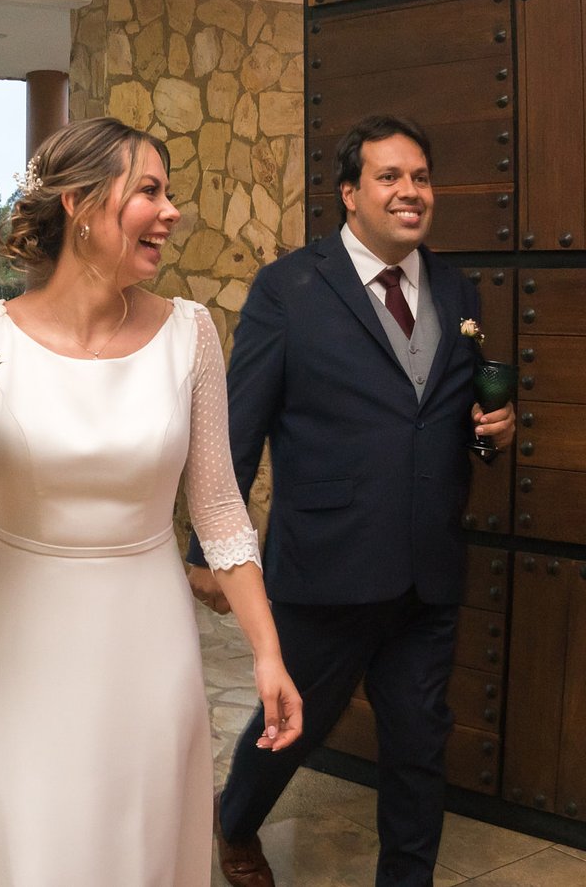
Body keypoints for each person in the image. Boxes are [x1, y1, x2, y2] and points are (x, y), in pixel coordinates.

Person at [0, 116, 303, 887]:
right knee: (25, 847)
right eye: (149, 191)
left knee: (130, 848)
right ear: (80, 203)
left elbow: (220, 509)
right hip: (19, 642)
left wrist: (268, 652)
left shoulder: (191, 335)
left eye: (170, 194)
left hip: (147, 641)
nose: (171, 212)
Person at [186, 114, 516, 887]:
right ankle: (234, 822)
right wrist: (208, 548)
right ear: (350, 194)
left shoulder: (456, 287)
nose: (411, 192)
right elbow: (241, 425)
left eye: (421, 177)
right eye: (390, 177)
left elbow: (449, 411)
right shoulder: (290, 288)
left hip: (428, 565)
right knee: (291, 725)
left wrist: (491, 431)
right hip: (326, 563)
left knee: (418, 742)